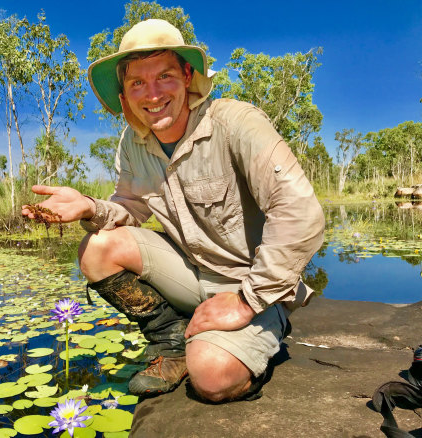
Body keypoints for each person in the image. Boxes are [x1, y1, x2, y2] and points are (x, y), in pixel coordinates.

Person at [22, 19, 325, 402]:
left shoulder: (235, 122)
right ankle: (171, 340)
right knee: (97, 247)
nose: (152, 94)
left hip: (246, 282)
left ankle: (259, 332)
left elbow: (300, 210)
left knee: (212, 377)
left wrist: (247, 301)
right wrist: (89, 207)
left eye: (164, 76)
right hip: (189, 271)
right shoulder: (133, 141)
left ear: (186, 76)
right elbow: (130, 206)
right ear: (125, 94)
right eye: (137, 82)